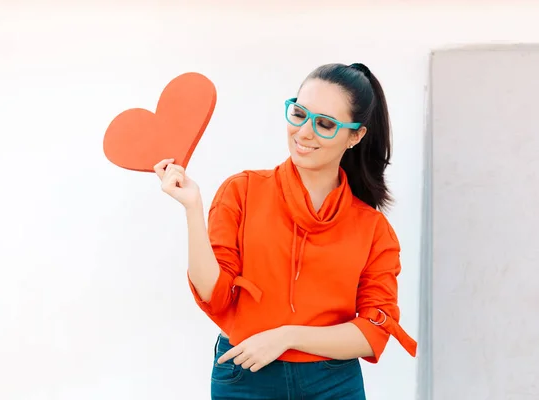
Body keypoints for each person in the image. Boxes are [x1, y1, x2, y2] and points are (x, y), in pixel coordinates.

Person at [153, 62, 417, 399]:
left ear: (355, 135)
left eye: (324, 124)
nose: (304, 133)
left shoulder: (373, 229)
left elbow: (373, 332)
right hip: (245, 376)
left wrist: (288, 336)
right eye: (299, 114)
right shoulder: (242, 191)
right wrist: (192, 207)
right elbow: (214, 295)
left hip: (333, 384)